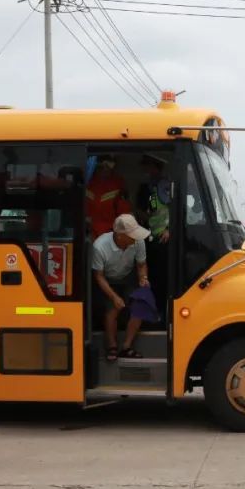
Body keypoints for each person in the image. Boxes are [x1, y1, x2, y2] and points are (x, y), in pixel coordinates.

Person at [92, 213, 150, 361]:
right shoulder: (99, 247)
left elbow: (141, 265)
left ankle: (127, 346)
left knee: (141, 304)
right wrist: (114, 296)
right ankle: (112, 346)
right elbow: (98, 276)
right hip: (108, 280)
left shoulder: (138, 242)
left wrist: (143, 279)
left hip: (128, 277)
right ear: (119, 236)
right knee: (113, 308)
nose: (136, 237)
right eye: (132, 234)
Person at [136, 154, 170, 318]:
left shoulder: (166, 186)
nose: (146, 170)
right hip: (149, 238)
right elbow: (139, 210)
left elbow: (177, 209)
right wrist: (145, 217)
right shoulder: (145, 189)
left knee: (162, 277)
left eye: (149, 166)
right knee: (151, 276)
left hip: (164, 239)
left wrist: (169, 229)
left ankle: (163, 312)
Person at [86, 155, 132, 238]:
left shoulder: (118, 184)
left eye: (109, 165)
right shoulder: (87, 182)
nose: (105, 168)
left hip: (110, 234)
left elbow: (125, 212)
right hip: (88, 232)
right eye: (102, 165)